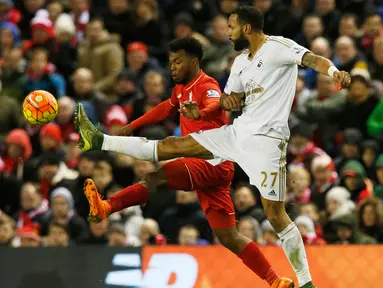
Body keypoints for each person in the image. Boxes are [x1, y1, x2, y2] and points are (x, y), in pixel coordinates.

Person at [76, 6, 352, 288]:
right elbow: (226, 99)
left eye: (231, 28)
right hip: (235, 134)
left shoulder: (278, 47)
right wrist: (221, 106)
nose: (228, 33)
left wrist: (334, 71)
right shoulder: (240, 62)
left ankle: (306, 282)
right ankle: (100, 141)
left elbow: (313, 59)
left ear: (246, 28)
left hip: (266, 142)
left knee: (275, 215)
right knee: (175, 152)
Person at [77, 36, 292, 288]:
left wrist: (199, 112)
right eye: (170, 62)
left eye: (178, 61)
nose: (173, 67)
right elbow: (165, 109)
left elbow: (215, 103)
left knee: (155, 176)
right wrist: (132, 126)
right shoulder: (180, 89)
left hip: (211, 161)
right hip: (211, 168)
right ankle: (275, 280)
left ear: (194, 61)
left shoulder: (206, 84)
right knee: (228, 236)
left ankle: (106, 203)